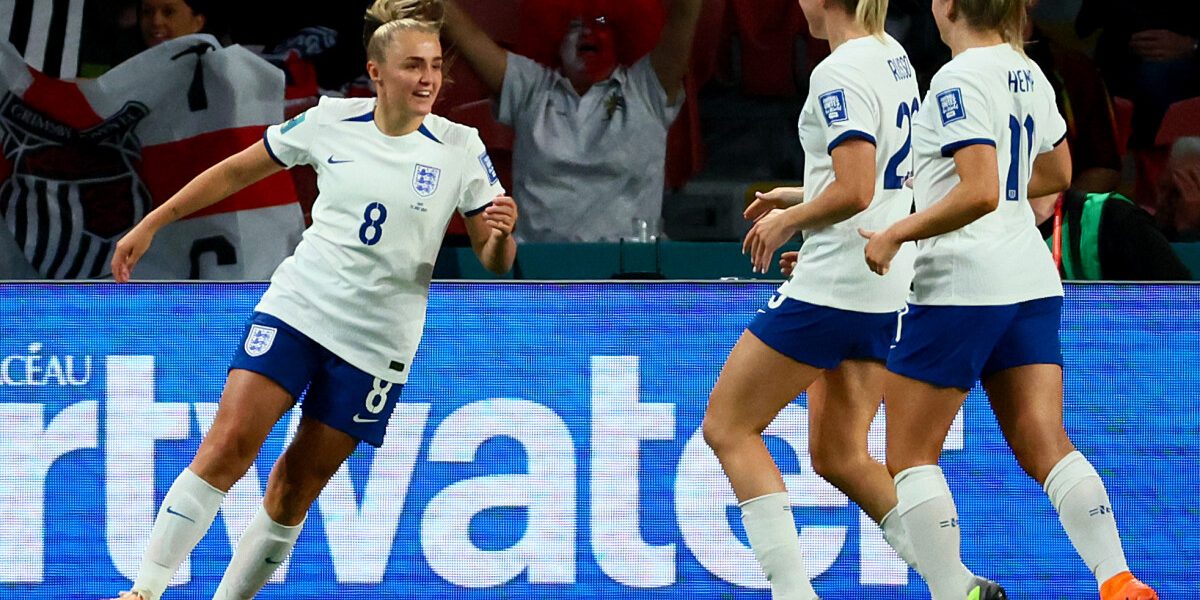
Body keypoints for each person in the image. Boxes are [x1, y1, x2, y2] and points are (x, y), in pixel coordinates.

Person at [108, 0, 518, 598]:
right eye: (412, 65)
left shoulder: (461, 147)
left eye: (435, 65)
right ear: (377, 73)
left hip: (378, 344)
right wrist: (153, 222)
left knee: (295, 488)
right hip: (301, 308)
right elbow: (233, 173)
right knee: (228, 446)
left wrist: (502, 237)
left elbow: (494, 259)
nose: (428, 78)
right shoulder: (329, 121)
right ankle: (145, 590)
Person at [859, 0, 1158, 598]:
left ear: (946, 7)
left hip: (961, 285)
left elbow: (980, 191)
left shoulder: (956, 79)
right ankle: (1118, 579)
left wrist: (898, 231)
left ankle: (953, 592)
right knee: (1045, 441)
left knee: (910, 455)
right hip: (1029, 279)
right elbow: (1057, 172)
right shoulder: (1028, 72)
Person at [700, 0, 922, 597]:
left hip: (833, 289)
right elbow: (889, 178)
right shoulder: (892, 55)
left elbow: (856, 186)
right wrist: (802, 193)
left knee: (728, 427)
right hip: (881, 285)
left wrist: (789, 220)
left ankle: (792, 593)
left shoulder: (837, 70)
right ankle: (954, 581)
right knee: (842, 455)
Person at [441, 0, 701, 242]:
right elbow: (465, 33)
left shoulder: (646, 90)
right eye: (575, 26)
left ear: (621, 36)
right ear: (556, 39)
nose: (588, 32)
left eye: (601, 24)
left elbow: (685, 14)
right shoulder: (530, 88)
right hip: (539, 275)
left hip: (628, 277)